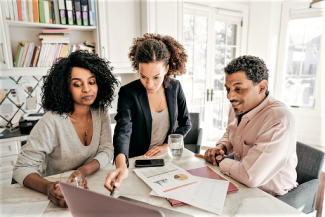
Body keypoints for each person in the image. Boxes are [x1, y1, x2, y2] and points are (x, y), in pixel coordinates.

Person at [13, 50, 118, 207]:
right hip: (56, 191)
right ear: (65, 88)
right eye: (77, 84)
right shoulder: (51, 122)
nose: (87, 89)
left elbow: (107, 150)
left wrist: (80, 172)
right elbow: (21, 168)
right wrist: (49, 188)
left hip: (90, 185)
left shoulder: (100, 111)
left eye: (91, 82)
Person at [196, 55, 298, 196]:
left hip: (272, 196)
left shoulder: (279, 120)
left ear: (262, 87)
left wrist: (219, 159)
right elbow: (231, 131)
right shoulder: (239, 106)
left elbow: (250, 176)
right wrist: (221, 147)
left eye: (238, 89)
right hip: (240, 183)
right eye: (227, 89)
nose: (230, 97)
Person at [104, 33, 192, 192]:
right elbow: (123, 129)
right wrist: (121, 165)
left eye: (156, 77)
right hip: (137, 161)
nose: (149, 84)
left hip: (166, 160)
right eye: (143, 76)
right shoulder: (128, 92)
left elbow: (186, 124)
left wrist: (167, 146)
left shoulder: (175, 87)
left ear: (166, 69)